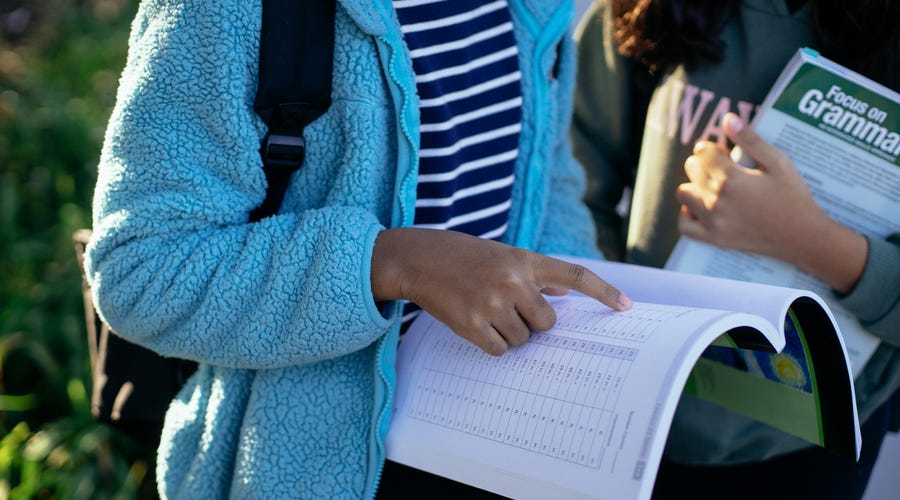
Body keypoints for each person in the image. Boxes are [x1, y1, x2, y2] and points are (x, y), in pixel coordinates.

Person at [84, 0, 633, 497]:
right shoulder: (222, 12)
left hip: (509, 456)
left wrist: (576, 323)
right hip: (309, 472)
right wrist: (393, 264)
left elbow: (550, 180)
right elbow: (142, 267)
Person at [571, 0, 899, 498]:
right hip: (626, 402)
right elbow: (568, 182)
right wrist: (614, 325)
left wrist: (811, 242)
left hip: (809, 436)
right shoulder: (645, 8)